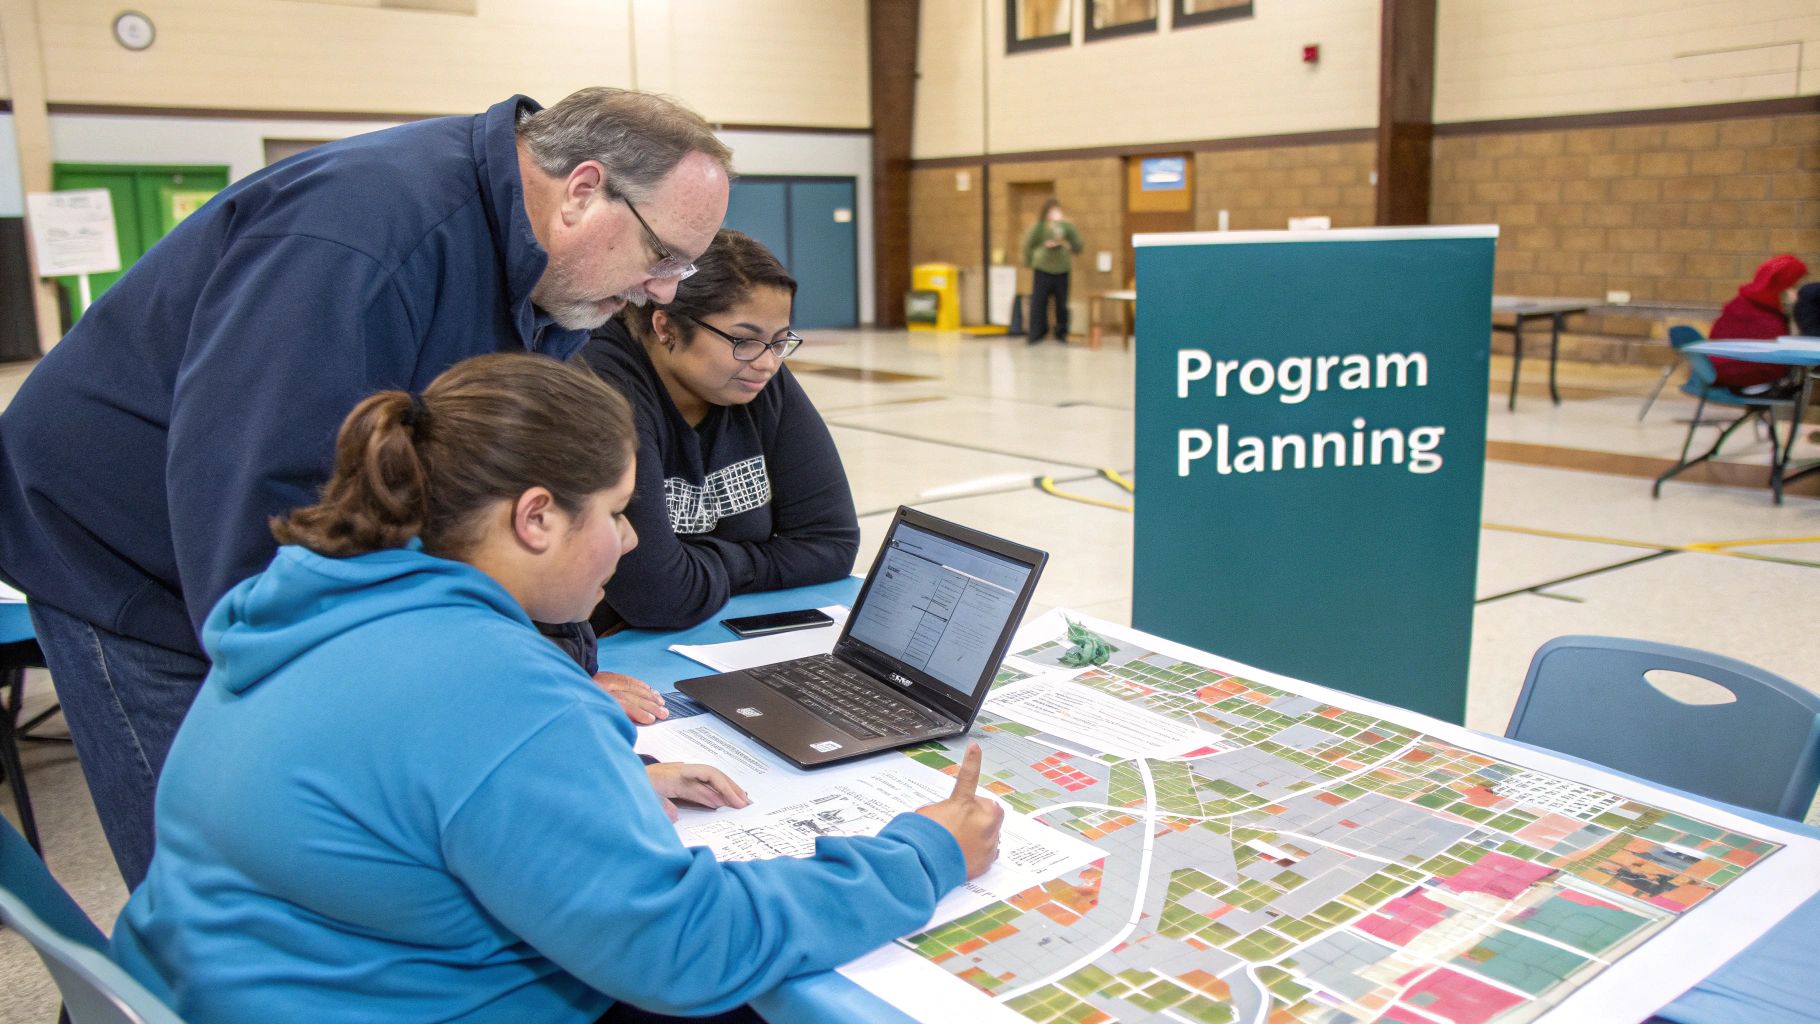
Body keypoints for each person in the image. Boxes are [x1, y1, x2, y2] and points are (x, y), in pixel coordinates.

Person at [107, 352, 1002, 1024]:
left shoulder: (309, 606)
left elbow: (400, 788)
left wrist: (591, 787)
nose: (632, 542)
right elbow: (687, 949)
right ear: (535, 517)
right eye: (616, 512)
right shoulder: (497, 693)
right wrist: (924, 856)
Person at [0, 87, 733, 889]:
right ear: (584, 191)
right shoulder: (361, 240)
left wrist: (553, 705)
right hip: (130, 553)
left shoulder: (553, 282)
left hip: (255, 532)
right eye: (661, 256)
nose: (662, 292)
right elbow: (260, 540)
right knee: (233, 883)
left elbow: (506, 493)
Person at [578, 230, 859, 632]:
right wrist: (754, 559)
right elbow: (655, 594)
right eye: (743, 340)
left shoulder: (756, 375)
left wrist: (702, 566)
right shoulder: (602, 384)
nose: (767, 363)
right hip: (608, 653)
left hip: (714, 629)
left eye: (780, 342)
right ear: (665, 327)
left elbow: (832, 545)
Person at [1706, 254, 1808, 390]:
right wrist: (1796, 308)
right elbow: (1777, 353)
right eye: (1793, 285)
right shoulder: (1762, 314)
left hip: (1718, 367)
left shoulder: (1744, 302)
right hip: (1735, 370)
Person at [1022, 198, 1083, 345]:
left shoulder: (1067, 227)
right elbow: (1027, 245)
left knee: (1062, 304)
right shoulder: (1039, 227)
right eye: (1050, 212)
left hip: (1062, 270)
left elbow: (1078, 245)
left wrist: (1065, 244)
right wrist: (1030, 261)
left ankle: (1062, 332)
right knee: (1038, 302)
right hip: (1042, 269)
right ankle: (1037, 332)